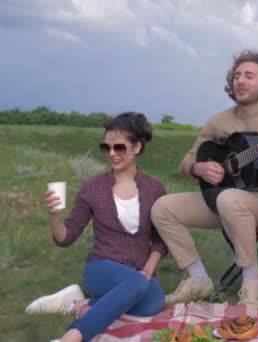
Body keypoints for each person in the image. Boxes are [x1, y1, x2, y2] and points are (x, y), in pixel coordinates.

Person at [151, 49, 258, 310]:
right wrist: (200, 168)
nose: (240, 81)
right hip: (223, 199)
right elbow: (186, 162)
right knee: (162, 208)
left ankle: (252, 279)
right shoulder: (218, 121)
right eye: (237, 76)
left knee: (229, 199)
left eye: (249, 76)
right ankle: (198, 279)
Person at [33, 112, 168, 342]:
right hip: (102, 267)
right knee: (136, 286)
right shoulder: (92, 187)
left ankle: (79, 302)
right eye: (106, 148)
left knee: (154, 302)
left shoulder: (155, 188)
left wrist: (147, 270)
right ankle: (73, 336)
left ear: (136, 148)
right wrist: (54, 215)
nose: (112, 154)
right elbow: (65, 237)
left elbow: (160, 240)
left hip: (138, 271)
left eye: (119, 148)